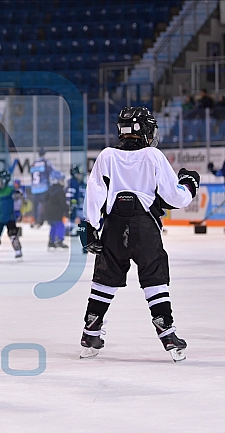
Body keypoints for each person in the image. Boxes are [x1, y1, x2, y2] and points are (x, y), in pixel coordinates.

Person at [78, 106, 200, 362]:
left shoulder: (107, 155)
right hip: (144, 227)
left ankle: (90, 332)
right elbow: (174, 198)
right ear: (144, 130)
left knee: (104, 278)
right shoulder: (153, 156)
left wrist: (87, 228)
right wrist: (189, 183)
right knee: (154, 277)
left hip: (112, 226)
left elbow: (94, 192)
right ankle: (167, 333)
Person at [0, 170, 23, 260]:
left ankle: (18, 250)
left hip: (9, 217)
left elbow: (19, 197)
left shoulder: (10, 191)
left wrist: (17, 194)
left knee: (13, 233)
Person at [29, 147, 55, 227]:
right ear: (44, 154)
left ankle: (36, 221)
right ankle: (46, 220)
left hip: (34, 188)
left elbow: (31, 174)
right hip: (44, 188)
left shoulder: (34, 163)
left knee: (35, 206)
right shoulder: (46, 162)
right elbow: (52, 172)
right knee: (46, 205)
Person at [44, 170, 68, 249]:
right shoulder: (60, 191)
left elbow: (45, 200)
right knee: (60, 225)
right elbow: (62, 202)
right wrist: (67, 210)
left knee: (53, 226)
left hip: (49, 212)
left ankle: (51, 241)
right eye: (62, 180)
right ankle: (59, 240)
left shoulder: (49, 190)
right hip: (57, 212)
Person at [66, 164, 86, 236]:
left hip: (81, 206)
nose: (81, 176)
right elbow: (69, 195)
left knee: (84, 218)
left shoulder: (82, 184)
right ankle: (68, 230)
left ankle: (82, 230)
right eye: (79, 174)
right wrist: (72, 203)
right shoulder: (72, 183)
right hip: (75, 206)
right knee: (72, 215)